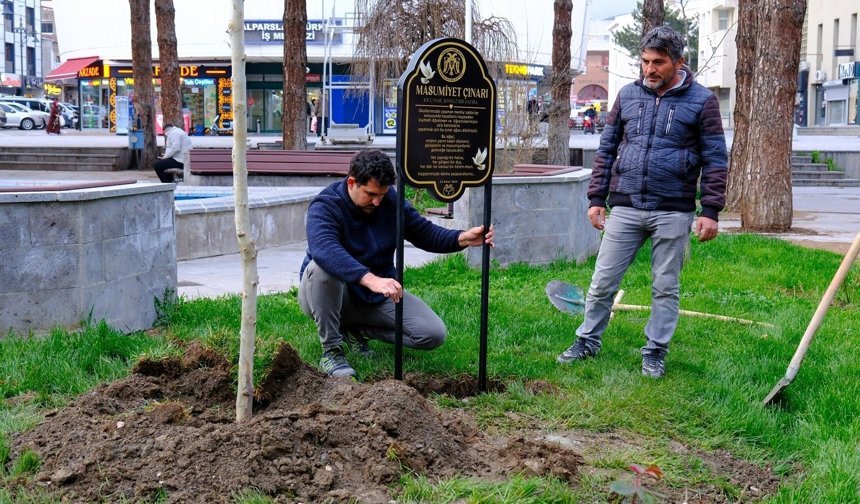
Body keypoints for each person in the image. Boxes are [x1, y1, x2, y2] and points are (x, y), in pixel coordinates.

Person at [556, 25, 727, 378]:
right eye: (645, 61)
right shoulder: (627, 96)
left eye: (658, 62)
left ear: (679, 62)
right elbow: (606, 148)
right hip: (626, 205)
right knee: (603, 281)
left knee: (665, 287)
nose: (650, 69)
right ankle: (587, 340)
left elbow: (715, 158)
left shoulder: (702, 101)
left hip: (673, 208)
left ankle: (655, 351)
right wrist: (596, 198)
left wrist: (710, 210)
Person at [298, 149, 495, 378]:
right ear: (352, 182)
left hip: (373, 296)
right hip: (328, 294)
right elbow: (325, 250)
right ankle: (332, 350)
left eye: (382, 194)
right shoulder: (325, 206)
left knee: (432, 334)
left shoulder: (389, 201)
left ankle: (356, 329)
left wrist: (462, 238)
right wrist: (370, 279)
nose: (377, 201)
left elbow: (422, 231)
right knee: (321, 269)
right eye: (370, 194)